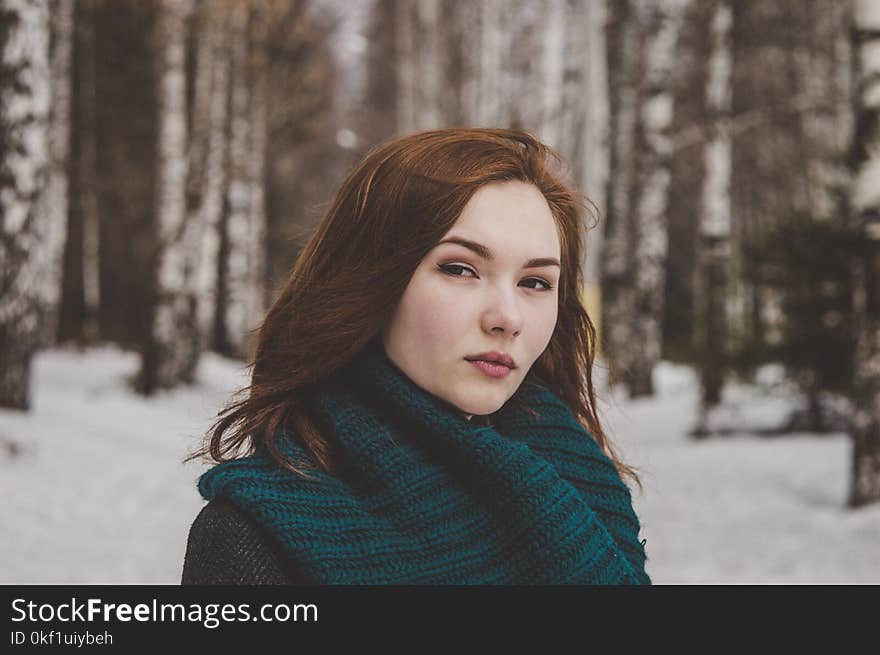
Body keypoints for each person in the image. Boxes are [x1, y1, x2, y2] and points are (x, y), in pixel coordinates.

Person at [181, 127, 651, 585]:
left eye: (535, 282)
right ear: (371, 280)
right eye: (460, 269)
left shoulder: (583, 483)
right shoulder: (255, 535)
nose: (508, 317)